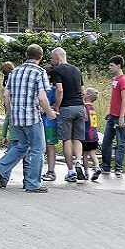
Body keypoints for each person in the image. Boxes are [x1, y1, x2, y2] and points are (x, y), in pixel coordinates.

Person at [0, 44, 57, 193]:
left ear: (26, 55)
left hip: (16, 117)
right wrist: (50, 112)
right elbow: (42, 97)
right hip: (32, 117)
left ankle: (0, 167)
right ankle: (33, 183)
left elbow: (6, 94)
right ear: (40, 57)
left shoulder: (15, 72)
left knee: (22, 145)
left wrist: (10, 112)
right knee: (38, 149)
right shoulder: (39, 72)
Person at [49, 47, 87, 183]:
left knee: (67, 140)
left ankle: (71, 171)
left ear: (58, 57)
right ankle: (78, 161)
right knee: (77, 139)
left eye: (52, 58)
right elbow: (83, 90)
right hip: (80, 107)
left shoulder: (57, 71)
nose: (51, 61)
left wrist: (57, 106)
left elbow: (59, 90)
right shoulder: (76, 70)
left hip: (66, 107)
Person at [99, 54, 125, 178]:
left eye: (112, 65)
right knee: (106, 141)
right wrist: (110, 112)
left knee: (120, 142)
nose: (110, 68)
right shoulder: (114, 79)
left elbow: (124, 100)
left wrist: (122, 116)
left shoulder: (123, 81)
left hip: (119, 116)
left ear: (118, 66)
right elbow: (115, 99)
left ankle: (119, 167)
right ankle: (106, 166)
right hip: (112, 115)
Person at [83, 87, 101, 181]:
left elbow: (84, 120)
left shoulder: (85, 108)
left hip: (86, 135)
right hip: (94, 135)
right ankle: (97, 167)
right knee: (93, 153)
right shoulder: (92, 109)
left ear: (88, 95)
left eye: (85, 93)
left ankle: (86, 172)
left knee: (85, 155)